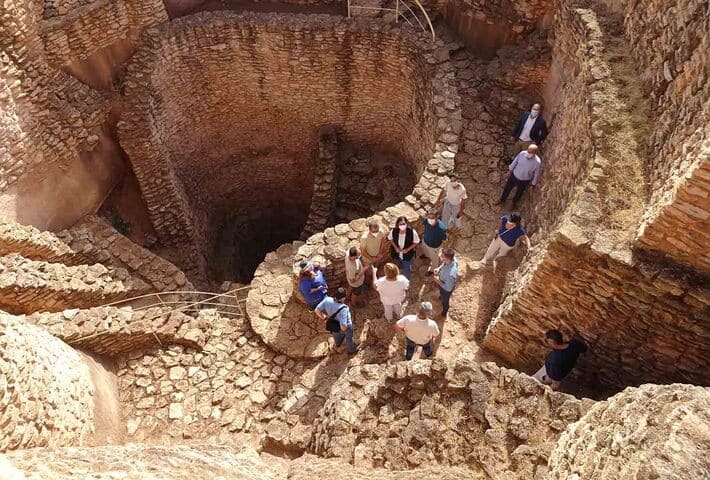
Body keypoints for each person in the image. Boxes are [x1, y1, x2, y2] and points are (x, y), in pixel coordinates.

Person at [315, 288, 360, 355]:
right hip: (344, 326)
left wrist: (324, 318)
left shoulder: (327, 300)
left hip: (333, 323)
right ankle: (351, 349)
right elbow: (343, 327)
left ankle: (338, 343)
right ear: (343, 298)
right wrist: (344, 328)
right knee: (349, 337)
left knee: (336, 334)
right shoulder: (344, 308)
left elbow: (317, 310)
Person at [360, 219, 388, 284]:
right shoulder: (364, 238)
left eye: (377, 231)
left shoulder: (381, 232)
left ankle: (374, 277)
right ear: (369, 230)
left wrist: (380, 252)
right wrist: (371, 258)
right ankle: (368, 282)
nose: (376, 233)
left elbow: (383, 241)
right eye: (374, 232)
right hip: (367, 259)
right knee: (368, 271)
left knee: (375, 268)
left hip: (377, 256)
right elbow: (362, 250)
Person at [432, 248, 458, 317]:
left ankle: (444, 311)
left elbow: (448, 288)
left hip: (445, 289)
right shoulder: (452, 259)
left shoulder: (451, 274)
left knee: (445, 301)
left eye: (442, 256)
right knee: (441, 294)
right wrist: (439, 268)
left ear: (447, 258)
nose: (440, 256)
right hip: (442, 282)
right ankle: (441, 296)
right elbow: (444, 263)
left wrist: (438, 280)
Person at [421, 210, 447, 276]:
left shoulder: (441, 228)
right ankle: (427, 256)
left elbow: (444, 239)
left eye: (432, 218)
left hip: (434, 247)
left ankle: (433, 270)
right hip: (425, 241)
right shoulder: (426, 221)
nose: (430, 219)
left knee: (435, 259)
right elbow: (424, 227)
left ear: (437, 217)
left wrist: (443, 249)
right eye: (429, 217)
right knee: (425, 250)